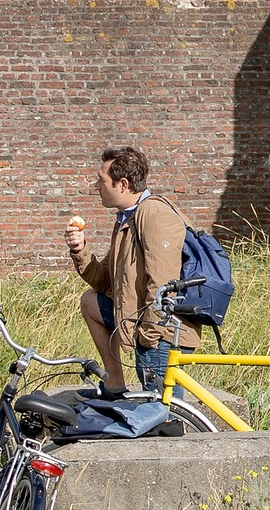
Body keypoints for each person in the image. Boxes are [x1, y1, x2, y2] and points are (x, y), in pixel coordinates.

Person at [67, 145, 193, 395]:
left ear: (122, 184)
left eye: (101, 180)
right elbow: (105, 282)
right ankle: (114, 384)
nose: (96, 186)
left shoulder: (154, 214)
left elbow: (164, 284)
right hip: (143, 324)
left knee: (164, 418)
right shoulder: (127, 219)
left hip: (161, 334)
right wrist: (80, 249)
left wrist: (149, 336)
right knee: (91, 302)